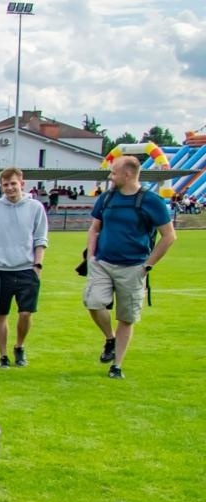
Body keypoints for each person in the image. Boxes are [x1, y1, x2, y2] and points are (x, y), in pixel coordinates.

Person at [83, 155, 176, 380]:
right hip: (103, 263)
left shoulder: (151, 201)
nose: (110, 176)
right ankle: (109, 338)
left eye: (113, 172)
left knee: (126, 317)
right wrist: (91, 255)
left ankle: (116, 365)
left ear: (128, 174)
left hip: (134, 266)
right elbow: (95, 228)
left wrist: (147, 266)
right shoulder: (106, 198)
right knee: (93, 302)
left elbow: (169, 236)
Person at [0, 166, 49, 368]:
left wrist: (37, 266)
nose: (9, 188)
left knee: (25, 313)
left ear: (22, 184)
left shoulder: (35, 207)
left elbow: (40, 239)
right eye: (5, 185)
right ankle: (3, 355)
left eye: (13, 184)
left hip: (27, 269)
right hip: (1, 270)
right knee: (0, 314)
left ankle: (19, 346)